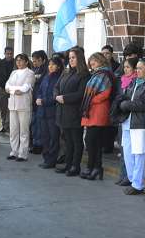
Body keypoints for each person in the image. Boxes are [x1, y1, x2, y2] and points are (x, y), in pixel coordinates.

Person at [114, 58, 145, 194]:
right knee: (127, 151)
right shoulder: (134, 81)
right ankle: (132, 180)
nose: (137, 71)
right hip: (127, 120)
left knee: (139, 154)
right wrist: (123, 104)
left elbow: (144, 104)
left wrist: (125, 105)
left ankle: (138, 184)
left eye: (140, 68)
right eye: (136, 68)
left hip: (140, 123)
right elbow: (125, 96)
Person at [55, 47, 90, 176]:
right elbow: (57, 86)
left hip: (75, 112)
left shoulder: (84, 74)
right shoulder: (66, 72)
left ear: (79, 58)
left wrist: (64, 98)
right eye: (69, 58)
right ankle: (68, 164)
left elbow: (81, 94)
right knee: (67, 140)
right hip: (63, 111)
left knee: (76, 140)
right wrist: (57, 95)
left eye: (73, 57)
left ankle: (75, 166)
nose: (71, 60)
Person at [80, 52, 115, 180]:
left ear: (100, 60)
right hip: (92, 111)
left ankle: (93, 167)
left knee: (91, 140)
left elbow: (106, 93)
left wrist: (91, 100)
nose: (91, 64)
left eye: (93, 61)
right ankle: (95, 168)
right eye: (90, 62)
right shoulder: (97, 73)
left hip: (99, 111)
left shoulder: (105, 74)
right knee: (93, 142)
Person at [5, 54, 36, 161]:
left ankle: (23, 153)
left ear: (26, 62)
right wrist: (14, 90)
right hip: (12, 105)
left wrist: (13, 90)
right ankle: (14, 151)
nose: (18, 62)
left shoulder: (30, 73)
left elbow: (24, 88)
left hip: (23, 105)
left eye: (21, 60)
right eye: (17, 60)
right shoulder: (14, 72)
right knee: (13, 130)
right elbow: (6, 86)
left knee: (24, 130)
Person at [114, 58, 139, 185]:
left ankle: (131, 177)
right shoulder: (123, 80)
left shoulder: (135, 82)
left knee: (132, 150)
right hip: (122, 118)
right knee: (124, 148)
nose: (125, 69)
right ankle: (124, 174)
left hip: (131, 118)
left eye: (128, 67)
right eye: (124, 67)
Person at [36, 57, 64, 168]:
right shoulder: (46, 77)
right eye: (49, 64)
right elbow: (40, 90)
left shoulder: (59, 78)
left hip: (52, 111)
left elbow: (56, 96)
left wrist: (44, 101)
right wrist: (38, 98)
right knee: (44, 136)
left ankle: (52, 160)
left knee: (53, 136)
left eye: (53, 64)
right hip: (42, 111)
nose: (50, 66)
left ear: (58, 66)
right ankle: (46, 158)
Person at [30, 50, 48, 154]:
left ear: (43, 60)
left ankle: (39, 144)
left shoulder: (46, 71)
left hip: (41, 101)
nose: (34, 63)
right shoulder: (34, 70)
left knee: (39, 124)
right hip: (33, 100)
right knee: (34, 124)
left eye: (37, 61)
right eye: (33, 61)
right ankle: (35, 143)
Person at [0, 47, 14, 134]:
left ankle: (9, 126)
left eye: (10, 54)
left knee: (11, 109)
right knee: (3, 108)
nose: (9, 55)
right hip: (3, 88)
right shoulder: (1, 62)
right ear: (4, 54)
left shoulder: (16, 62)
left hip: (13, 89)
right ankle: (4, 125)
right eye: (7, 54)